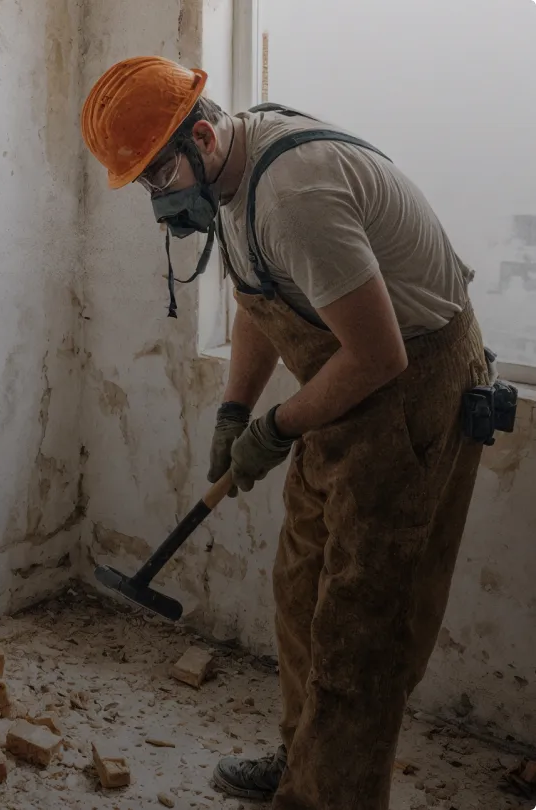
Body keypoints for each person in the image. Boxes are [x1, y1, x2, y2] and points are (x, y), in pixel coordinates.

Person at [82, 57, 496, 809]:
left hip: (412, 392)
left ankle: (327, 796)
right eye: (142, 182)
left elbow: (379, 356)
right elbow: (261, 299)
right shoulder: (236, 177)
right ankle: (307, 757)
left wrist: (275, 428)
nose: (156, 199)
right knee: (301, 586)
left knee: (361, 624)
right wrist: (235, 412)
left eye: (158, 177)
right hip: (349, 387)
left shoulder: (293, 197)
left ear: (202, 137)